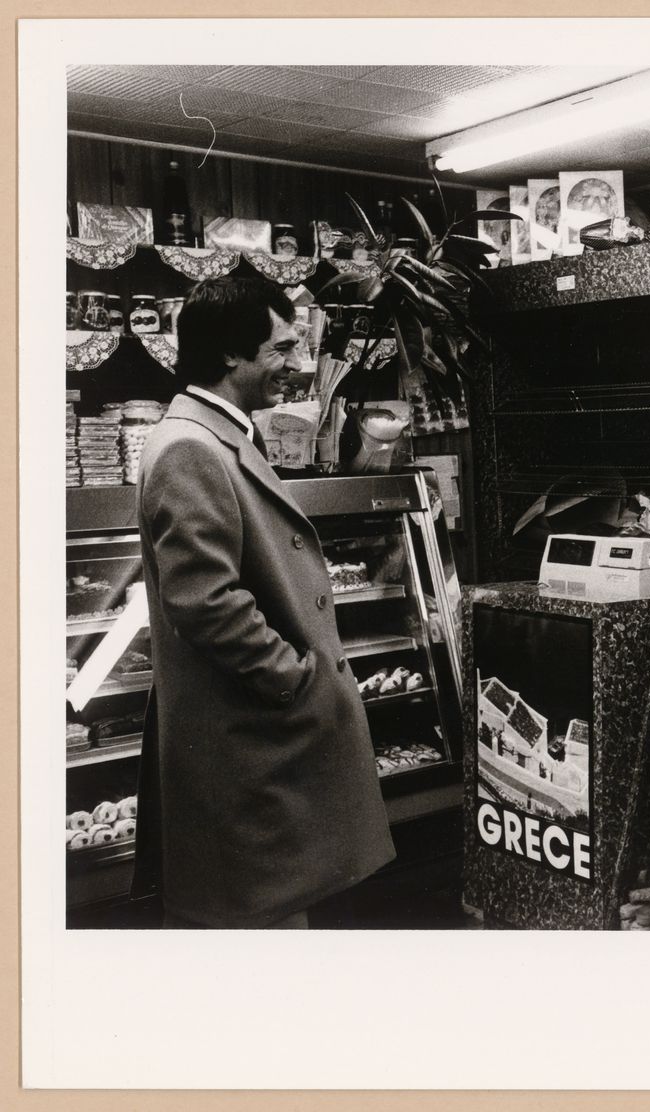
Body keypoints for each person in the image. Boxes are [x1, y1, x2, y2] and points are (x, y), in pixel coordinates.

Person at [131, 276, 394, 928]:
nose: (296, 366)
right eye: (279, 349)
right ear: (229, 354)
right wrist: (296, 680)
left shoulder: (215, 435)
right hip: (244, 763)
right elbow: (204, 601)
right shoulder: (190, 447)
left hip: (254, 758)